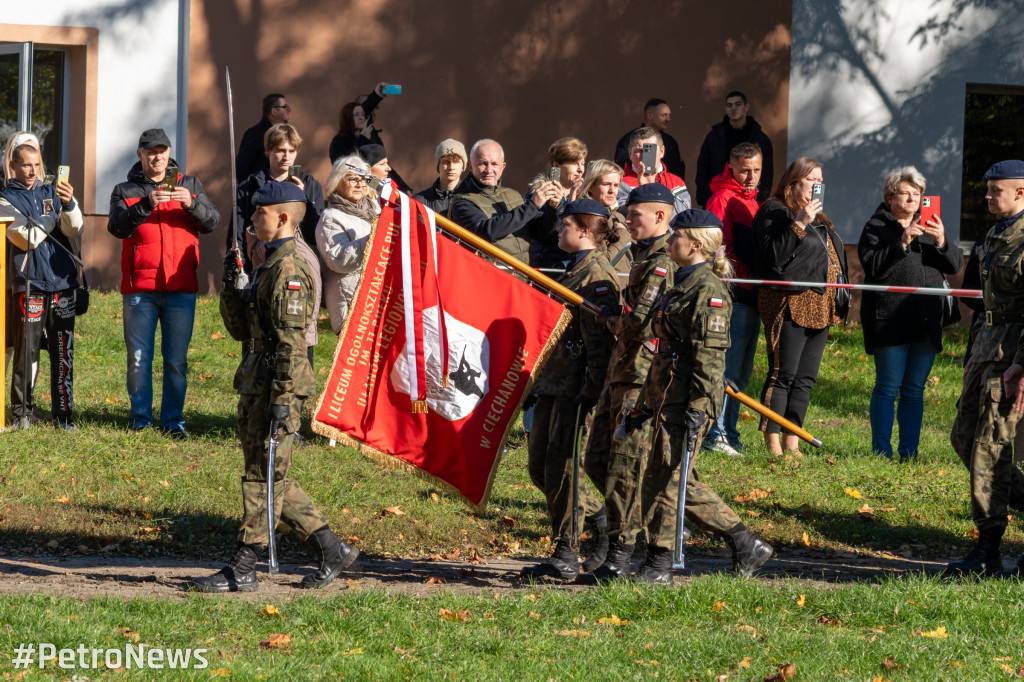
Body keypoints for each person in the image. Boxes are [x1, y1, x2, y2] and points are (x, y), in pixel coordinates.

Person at [190, 182, 358, 593]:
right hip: (257, 384)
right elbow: (239, 330)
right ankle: (331, 548)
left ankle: (243, 566)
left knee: (262, 476)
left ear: (282, 218)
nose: (252, 220)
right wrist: (232, 283)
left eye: (259, 213)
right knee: (267, 474)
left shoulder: (290, 271)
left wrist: (284, 400)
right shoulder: (268, 264)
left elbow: (292, 343)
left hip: (276, 389)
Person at [629, 209, 773, 584]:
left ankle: (661, 563)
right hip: (666, 395)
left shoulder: (708, 290)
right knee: (671, 477)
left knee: (668, 480)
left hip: (688, 398)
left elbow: (710, 360)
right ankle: (745, 543)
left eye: (676, 234)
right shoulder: (682, 282)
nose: (670, 239)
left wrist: (697, 408)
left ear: (695, 244)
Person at [521, 199, 622, 581]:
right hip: (553, 382)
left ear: (584, 230)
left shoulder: (597, 276)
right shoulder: (574, 269)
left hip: (575, 388)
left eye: (565, 224)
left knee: (564, 470)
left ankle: (566, 550)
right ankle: (599, 522)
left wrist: (592, 391)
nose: (558, 229)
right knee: (540, 469)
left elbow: (600, 344)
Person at [584, 184, 677, 581]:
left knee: (627, 468)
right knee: (597, 459)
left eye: (634, 215)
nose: (626, 221)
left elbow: (638, 323)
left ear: (660, 216)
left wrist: (604, 316)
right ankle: (620, 541)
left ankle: (623, 555)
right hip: (620, 372)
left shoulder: (662, 263)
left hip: (642, 377)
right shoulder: (640, 256)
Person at [107, 128, 221, 438]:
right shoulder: (124, 189)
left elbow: (212, 222)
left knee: (175, 361)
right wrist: (145, 204)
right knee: (139, 359)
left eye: (162, 150)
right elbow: (116, 228)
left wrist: (191, 204)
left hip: (180, 287)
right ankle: (140, 420)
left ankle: (174, 422)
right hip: (140, 289)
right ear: (140, 155)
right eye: (151, 151)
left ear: (169, 152)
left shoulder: (190, 185)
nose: (157, 156)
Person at [946, 160, 1024, 578]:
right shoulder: (995, 233)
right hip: (986, 347)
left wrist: (1021, 366)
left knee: (990, 448)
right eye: (988, 190)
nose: (988, 197)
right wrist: (975, 355)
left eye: (996, 190)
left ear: (1021, 193)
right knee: (963, 438)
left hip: (1013, 355)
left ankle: (988, 550)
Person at [858, 166, 963, 461]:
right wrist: (902, 242)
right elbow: (874, 267)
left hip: (927, 321)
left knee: (914, 390)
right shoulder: (875, 227)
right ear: (890, 196)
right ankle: (881, 451)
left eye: (917, 194)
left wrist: (941, 240)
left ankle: (909, 453)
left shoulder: (930, 226)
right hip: (889, 320)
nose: (912, 199)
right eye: (905, 193)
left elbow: (954, 266)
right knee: (888, 387)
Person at [753, 157, 848, 456]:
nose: (817, 184)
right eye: (811, 178)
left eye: (820, 179)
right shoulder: (775, 211)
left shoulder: (820, 217)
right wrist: (800, 222)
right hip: (789, 302)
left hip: (821, 305)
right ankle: (773, 443)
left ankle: (792, 441)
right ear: (793, 183)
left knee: (805, 379)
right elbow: (775, 257)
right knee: (783, 374)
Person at [0, 143, 84, 429]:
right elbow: (25, 238)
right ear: (13, 165)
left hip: (63, 282)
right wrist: (53, 217)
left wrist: (69, 205)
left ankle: (63, 415)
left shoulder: (53, 191)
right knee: (27, 351)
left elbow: (75, 229)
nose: (33, 170)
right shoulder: (4, 199)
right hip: (29, 284)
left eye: (37, 165)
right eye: (26, 165)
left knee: (64, 351)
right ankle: (22, 413)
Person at [701, 142, 764, 456]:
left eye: (756, 170)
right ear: (731, 167)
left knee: (741, 371)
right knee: (727, 368)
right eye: (744, 170)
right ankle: (716, 433)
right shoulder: (723, 197)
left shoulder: (752, 201)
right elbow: (716, 248)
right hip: (733, 293)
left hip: (752, 293)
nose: (751, 177)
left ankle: (730, 432)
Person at [448, 139, 561, 264]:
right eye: (482, 163)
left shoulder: (513, 195)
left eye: (494, 164)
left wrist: (553, 209)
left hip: (523, 277)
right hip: (491, 277)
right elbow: (486, 231)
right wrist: (532, 205)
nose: (489, 170)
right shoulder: (462, 202)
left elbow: (540, 232)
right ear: (470, 166)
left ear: (503, 167)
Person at [232, 123, 324, 269]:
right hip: (258, 265)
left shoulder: (310, 185)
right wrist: (240, 267)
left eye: (291, 151)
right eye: (281, 151)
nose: (286, 157)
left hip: (299, 265)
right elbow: (237, 231)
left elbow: (316, 235)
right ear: (268, 151)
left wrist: (302, 199)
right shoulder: (249, 185)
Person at [316, 155, 380, 334]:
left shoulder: (376, 208)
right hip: (352, 304)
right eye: (352, 179)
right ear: (337, 182)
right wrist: (371, 238)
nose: (360, 184)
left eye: (364, 179)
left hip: (378, 299)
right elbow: (337, 259)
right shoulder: (331, 217)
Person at [695, 91, 775, 206]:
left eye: (738, 104)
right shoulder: (714, 137)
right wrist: (707, 196)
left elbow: (767, 173)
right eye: (729, 105)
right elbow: (702, 168)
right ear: (725, 108)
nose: (733, 108)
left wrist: (761, 199)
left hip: (750, 199)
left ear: (746, 107)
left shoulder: (760, 139)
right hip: (718, 197)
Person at [328, 83, 410, 191]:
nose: (361, 117)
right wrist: (363, 138)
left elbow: (384, 166)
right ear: (347, 118)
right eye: (356, 115)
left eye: (363, 115)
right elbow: (348, 166)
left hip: (376, 190)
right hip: (353, 194)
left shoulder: (370, 135)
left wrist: (403, 188)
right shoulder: (339, 142)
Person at [527, 137, 589, 268]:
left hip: (577, 267)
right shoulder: (539, 194)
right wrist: (560, 207)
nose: (580, 169)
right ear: (556, 165)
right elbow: (545, 234)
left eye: (582, 163)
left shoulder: (586, 196)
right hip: (548, 268)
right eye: (574, 164)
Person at [616, 128, 691, 215]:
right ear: (630, 154)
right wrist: (644, 190)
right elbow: (625, 215)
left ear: (662, 151)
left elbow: (685, 217)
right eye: (638, 151)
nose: (644, 156)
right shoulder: (620, 183)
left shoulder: (676, 182)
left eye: (649, 150)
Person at [614, 98, 685, 180]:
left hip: (667, 189)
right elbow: (619, 169)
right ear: (650, 115)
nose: (668, 119)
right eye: (664, 115)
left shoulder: (671, 142)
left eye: (669, 115)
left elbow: (677, 172)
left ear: (662, 150)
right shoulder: (629, 139)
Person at [581, 159, 632, 268]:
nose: (612, 190)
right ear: (590, 186)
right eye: (606, 184)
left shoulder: (619, 216)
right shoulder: (585, 218)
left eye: (616, 185)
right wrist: (623, 234)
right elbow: (603, 263)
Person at [236, 93, 290, 182]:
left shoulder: (286, 133)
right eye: (285, 107)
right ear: (274, 111)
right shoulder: (255, 134)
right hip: (261, 193)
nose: (289, 110)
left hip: (282, 192)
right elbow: (242, 168)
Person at [415, 138, 468, 214]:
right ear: (438, 165)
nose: (451, 167)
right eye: (446, 162)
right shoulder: (419, 201)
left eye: (456, 162)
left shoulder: (472, 198)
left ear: (463, 166)